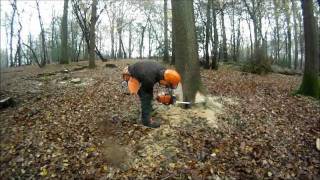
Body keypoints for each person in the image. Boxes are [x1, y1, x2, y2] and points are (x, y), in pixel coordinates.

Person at [122, 61, 181, 128]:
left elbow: (165, 85)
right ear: (165, 80)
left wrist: (169, 97)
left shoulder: (164, 71)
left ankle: (148, 110)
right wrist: (157, 98)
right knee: (146, 97)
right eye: (167, 85)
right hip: (130, 75)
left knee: (148, 95)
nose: (166, 86)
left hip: (141, 72)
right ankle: (146, 121)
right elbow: (147, 92)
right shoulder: (149, 79)